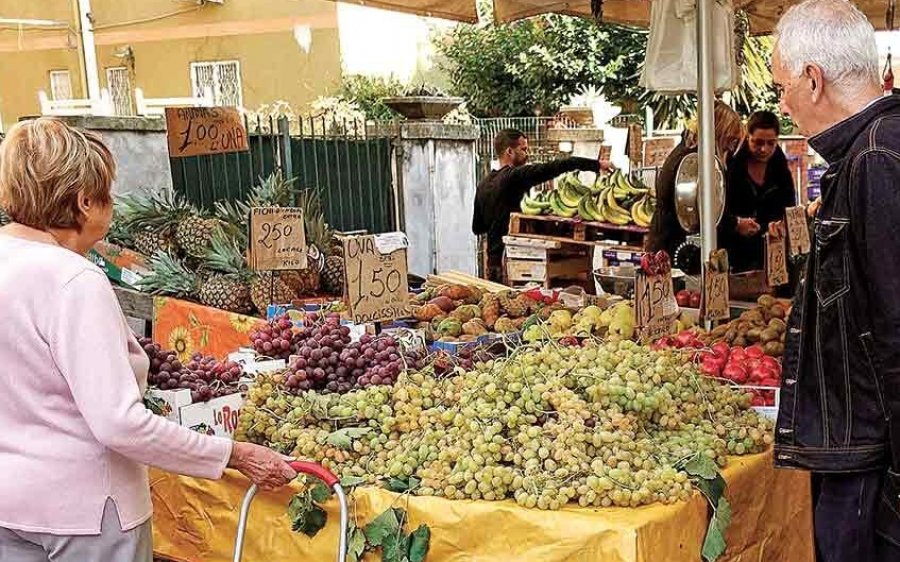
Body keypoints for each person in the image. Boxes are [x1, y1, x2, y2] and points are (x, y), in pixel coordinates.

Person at [0, 118, 298, 562]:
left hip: (11, 503)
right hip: (88, 512)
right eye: (106, 194)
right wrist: (234, 454)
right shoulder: (73, 280)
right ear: (84, 202)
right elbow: (118, 423)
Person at [772, 1, 900, 560]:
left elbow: (896, 329)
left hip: (869, 458)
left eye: (781, 87)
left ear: (813, 79)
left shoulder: (876, 159)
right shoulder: (877, 148)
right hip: (864, 445)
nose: (783, 104)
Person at [472, 129, 608, 282]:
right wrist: (597, 165)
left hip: (492, 265)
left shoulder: (483, 185)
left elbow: (478, 228)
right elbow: (557, 166)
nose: (527, 153)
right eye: (523, 149)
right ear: (509, 151)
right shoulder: (514, 177)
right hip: (516, 261)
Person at [647, 101, 745, 263]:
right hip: (674, 244)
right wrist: (735, 223)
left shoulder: (687, 152)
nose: (731, 147)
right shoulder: (694, 161)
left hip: (667, 239)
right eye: (730, 140)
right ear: (719, 133)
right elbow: (703, 207)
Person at [720, 111, 796, 272]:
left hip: (773, 255)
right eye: (758, 142)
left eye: (771, 143)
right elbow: (719, 210)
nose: (764, 149)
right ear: (748, 137)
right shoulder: (731, 166)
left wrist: (781, 224)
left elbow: (790, 207)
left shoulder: (781, 168)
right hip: (735, 255)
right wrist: (736, 224)